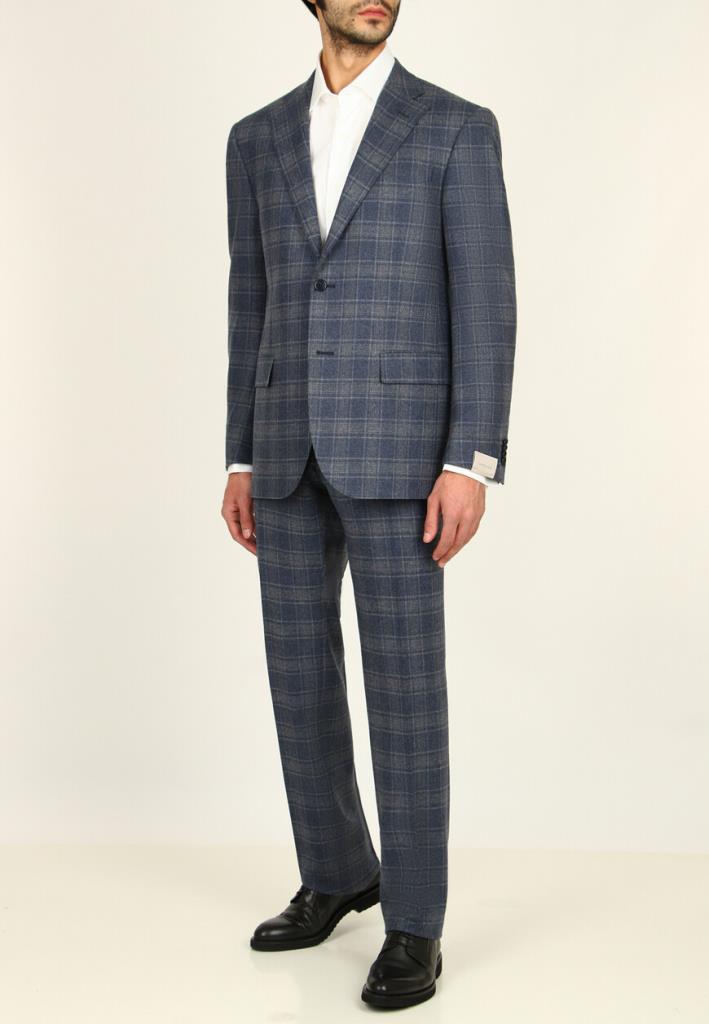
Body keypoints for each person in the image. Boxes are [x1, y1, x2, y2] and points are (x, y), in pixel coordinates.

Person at [220, 0, 516, 1009]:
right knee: (297, 677)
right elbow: (250, 299)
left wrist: (470, 460)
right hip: (282, 447)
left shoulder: (454, 127)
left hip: (403, 454)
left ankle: (415, 922)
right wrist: (238, 453)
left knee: (405, 692)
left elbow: (486, 299)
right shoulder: (255, 138)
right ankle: (338, 870)